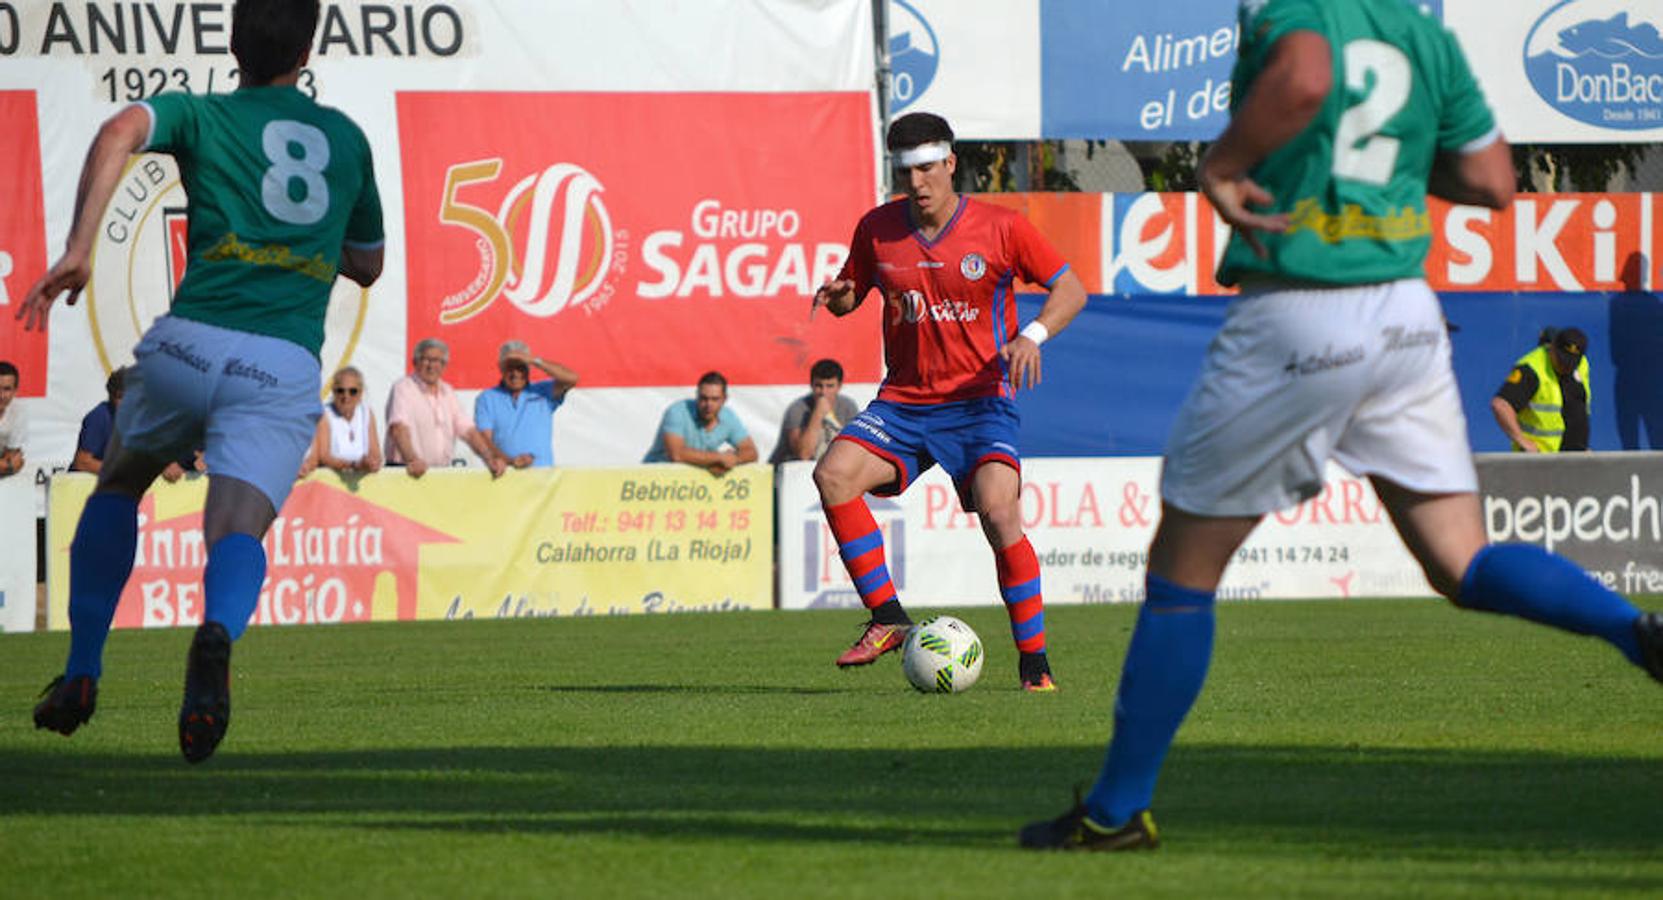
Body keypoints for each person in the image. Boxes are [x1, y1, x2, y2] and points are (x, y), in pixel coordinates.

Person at [1019, 0, 1662, 851]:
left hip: (1302, 308)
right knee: (1458, 560)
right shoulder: (1422, 34)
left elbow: (1309, 74)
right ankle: (1634, 631)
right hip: (1403, 315)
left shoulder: (1297, 9)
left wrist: (1225, 163)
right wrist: (1384, 164)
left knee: (1183, 573)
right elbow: (1491, 183)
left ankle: (1113, 811)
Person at [19, 0, 386, 763]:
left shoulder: (202, 112)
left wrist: (81, 247)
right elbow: (369, 262)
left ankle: (83, 667)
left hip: (187, 347)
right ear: (309, 46)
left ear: (232, 40)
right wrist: (309, 246)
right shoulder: (346, 139)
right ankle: (215, 635)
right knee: (236, 529)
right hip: (277, 362)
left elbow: (120, 128)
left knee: (119, 485)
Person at [810, 111, 1088, 691]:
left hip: (980, 401)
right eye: (906, 169)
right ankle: (887, 618)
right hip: (905, 403)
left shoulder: (1001, 228)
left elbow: (1070, 287)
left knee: (999, 510)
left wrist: (1030, 336)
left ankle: (1034, 664)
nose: (918, 181)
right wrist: (838, 297)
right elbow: (851, 295)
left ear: (951, 163)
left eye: (928, 167)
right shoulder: (877, 228)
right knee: (833, 475)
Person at [385, 337, 507, 479]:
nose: (432, 366)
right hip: (406, 471)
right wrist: (412, 459)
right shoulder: (403, 387)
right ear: (415, 362)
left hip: (439, 474)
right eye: (427, 359)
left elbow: (468, 431)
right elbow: (398, 428)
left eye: (438, 361)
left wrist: (489, 459)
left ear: (444, 366)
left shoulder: (447, 392)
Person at [473, 340, 578, 469]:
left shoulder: (543, 391)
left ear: (528, 368)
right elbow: (484, 441)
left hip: (542, 478)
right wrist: (511, 461)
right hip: (504, 477)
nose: (515, 374)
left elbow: (572, 378)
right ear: (501, 368)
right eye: (510, 367)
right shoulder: (486, 398)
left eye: (520, 367)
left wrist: (534, 361)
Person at [1491, 327, 1591, 452]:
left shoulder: (1582, 365)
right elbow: (1500, 405)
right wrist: (1521, 440)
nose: (1566, 367)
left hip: (1575, 457)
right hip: (1539, 460)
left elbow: (1579, 406)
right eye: (1562, 361)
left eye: (1571, 363)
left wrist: (1582, 446)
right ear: (1552, 348)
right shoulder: (1532, 369)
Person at [643, 371, 758, 475]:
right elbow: (676, 454)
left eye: (715, 399)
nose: (708, 405)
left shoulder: (728, 416)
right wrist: (719, 458)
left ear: (724, 399)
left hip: (692, 484)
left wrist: (733, 460)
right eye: (704, 398)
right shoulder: (677, 411)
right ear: (696, 395)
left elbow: (751, 451)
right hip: (655, 481)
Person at [769, 357, 860, 464]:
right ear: (811, 385)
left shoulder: (848, 407)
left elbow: (853, 451)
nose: (823, 392)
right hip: (794, 473)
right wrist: (817, 414)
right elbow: (803, 455)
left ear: (839, 386)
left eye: (829, 386)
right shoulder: (798, 409)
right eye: (818, 386)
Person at [308, 365, 383, 475]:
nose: (346, 396)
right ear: (333, 392)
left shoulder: (366, 413)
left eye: (352, 391)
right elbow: (324, 456)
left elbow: (375, 452)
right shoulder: (324, 414)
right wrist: (354, 465)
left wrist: (371, 462)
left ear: (360, 393)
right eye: (340, 391)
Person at [0, 361, 24, 479]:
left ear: (15, 391)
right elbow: (11, 464)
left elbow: (14, 457)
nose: (1, 395)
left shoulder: (18, 411)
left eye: (7, 389)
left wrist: (7, 465)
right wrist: (8, 465)